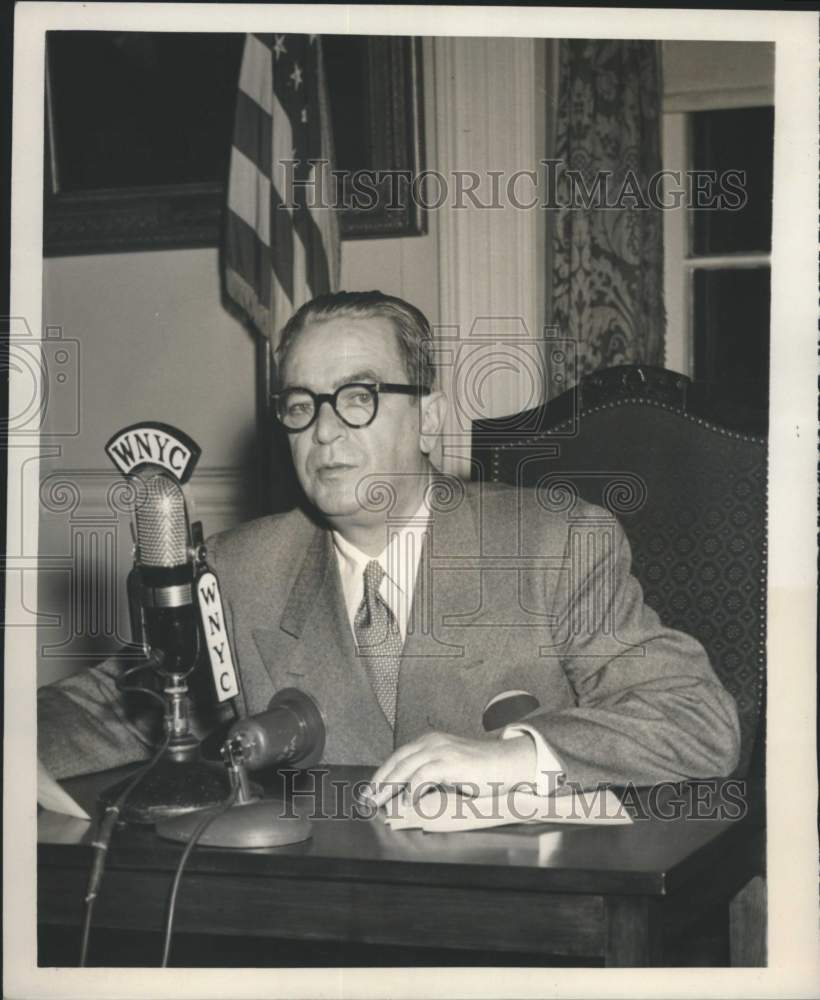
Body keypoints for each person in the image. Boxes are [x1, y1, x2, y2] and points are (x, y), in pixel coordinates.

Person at [37, 290, 741, 809]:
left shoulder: (551, 544)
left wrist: (517, 755)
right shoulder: (236, 568)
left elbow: (696, 720)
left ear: (429, 417)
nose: (325, 433)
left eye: (360, 397)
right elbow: (114, 707)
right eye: (300, 404)